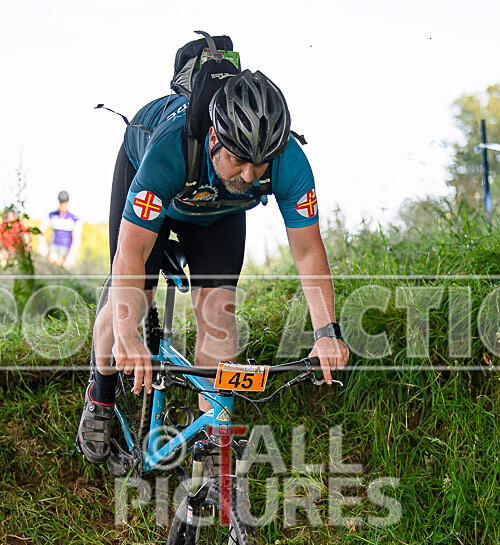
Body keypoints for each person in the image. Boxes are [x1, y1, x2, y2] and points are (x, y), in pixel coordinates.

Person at [77, 64, 349, 464]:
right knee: (128, 305)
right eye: (240, 160)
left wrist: (326, 331)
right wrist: (127, 335)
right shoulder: (169, 152)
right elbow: (130, 254)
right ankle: (99, 395)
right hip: (156, 194)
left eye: (262, 164)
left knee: (219, 315)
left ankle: (210, 433)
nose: (251, 174)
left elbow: (307, 250)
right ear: (216, 136)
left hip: (218, 212)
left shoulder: (289, 162)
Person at [37, 191, 82, 268]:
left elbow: (77, 239)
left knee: (67, 267)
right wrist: (42, 244)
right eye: (61, 203)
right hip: (53, 249)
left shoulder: (74, 219)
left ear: (67, 202)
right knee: (46, 259)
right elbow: (41, 230)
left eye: (64, 203)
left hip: (67, 250)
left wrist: (70, 256)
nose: (62, 206)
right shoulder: (52, 215)